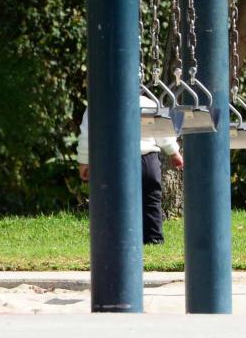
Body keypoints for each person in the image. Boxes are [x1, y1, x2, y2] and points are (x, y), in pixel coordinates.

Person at [76, 97, 184, 245]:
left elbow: (87, 135)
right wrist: (174, 152)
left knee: (116, 202)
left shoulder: (100, 103)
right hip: (148, 161)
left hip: (117, 161)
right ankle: (154, 238)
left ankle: (121, 239)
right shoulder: (149, 103)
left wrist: (84, 161)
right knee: (151, 201)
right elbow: (163, 130)